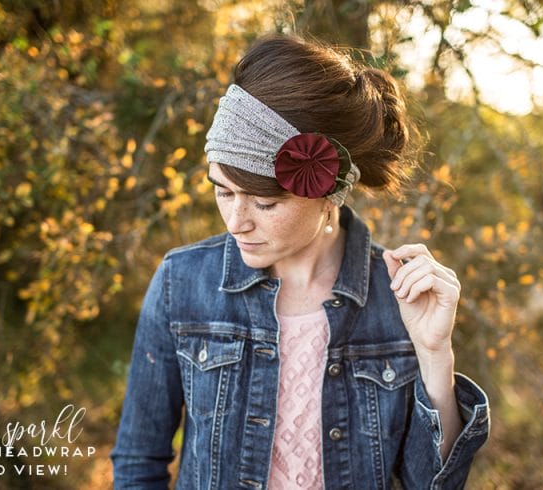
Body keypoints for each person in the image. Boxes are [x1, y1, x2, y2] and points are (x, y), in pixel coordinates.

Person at [111, 34, 489, 489]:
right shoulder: (182, 282)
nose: (236, 222)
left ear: (329, 190)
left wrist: (435, 356)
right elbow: (137, 463)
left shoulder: (400, 299)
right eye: (223, 191)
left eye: (264, 203)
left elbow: (429, 484)